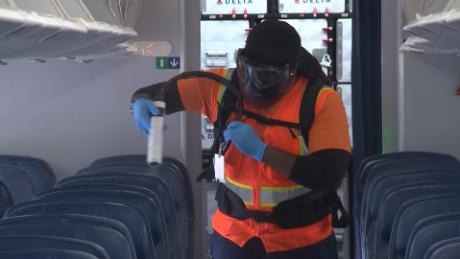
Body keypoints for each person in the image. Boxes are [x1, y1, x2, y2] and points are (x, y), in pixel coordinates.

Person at [131, 19, 351, 259]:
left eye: (267, 76)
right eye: (248, 70)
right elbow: (160, 93)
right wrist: (141, 101)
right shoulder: (219, 87)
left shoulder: (320, 100)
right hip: (234, 236)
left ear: (292, 70)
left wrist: (262, 152)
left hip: (301, 240)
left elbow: (329, 175)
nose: (252, 83)